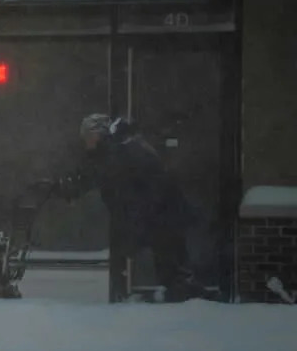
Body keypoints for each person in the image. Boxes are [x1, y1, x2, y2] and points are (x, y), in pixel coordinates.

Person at [57, 113, 208, 302]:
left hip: (159, 214)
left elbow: (99, 175)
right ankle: (178, 295)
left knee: (168, 262)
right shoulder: (119, 148)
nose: (86, 142)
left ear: (99, 135)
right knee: (167, 261)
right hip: (157, 214)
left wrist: (70, 187)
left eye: (88, 137)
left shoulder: (117, 151)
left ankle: (184, 299)